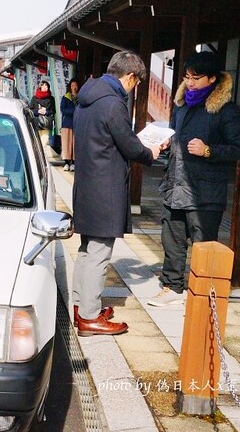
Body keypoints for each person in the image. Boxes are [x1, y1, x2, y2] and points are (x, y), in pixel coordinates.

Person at [72, 51, 163, 337]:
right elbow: (129, 145)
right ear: (130, 77)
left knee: (87, 252)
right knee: (99, 254)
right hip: (105, 189)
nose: (134, 89)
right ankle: (89, 317)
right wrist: (151, 151)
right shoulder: (113, 104)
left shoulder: (87, 97)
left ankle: (81, 305)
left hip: (87, 184)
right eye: (136, 83)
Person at [148, 51, 240, 307]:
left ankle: (203, 296)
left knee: (204, 246)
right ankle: (172, 287)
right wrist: (168, 142)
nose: (189, 83)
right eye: (186, 77)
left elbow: (239, 148)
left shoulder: (226, 110)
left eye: (196, 78)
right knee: (172, 241)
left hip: (205, 192)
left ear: (213, 78)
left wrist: (208, 150)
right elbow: (175, 135)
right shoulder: (181, 105)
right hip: (175, 185)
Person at [29, 80, 56, 159]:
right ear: (40, 87)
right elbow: (30, 110)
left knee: (44, 141)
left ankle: (41, 157)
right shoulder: (34, 98)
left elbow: (53, 111)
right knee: (37, 141)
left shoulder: (51, 99)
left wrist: (46, 111)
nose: (45, 87)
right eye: (43, 86)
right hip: (36, 122)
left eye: (47, 86)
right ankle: (36, 157)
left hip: (46, 123)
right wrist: (38, 111)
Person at [60, 79, 79, 171]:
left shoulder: (81, 97)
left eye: (75, 85)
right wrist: (74, 111)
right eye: (72, 85)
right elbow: (63, 109)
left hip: (77, 124)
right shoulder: (66, 97)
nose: (74, 87)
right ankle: (66, 162)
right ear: (70, 87)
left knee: (75, 144)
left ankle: (74, 163)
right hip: (67, 123)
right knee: (66, 143)